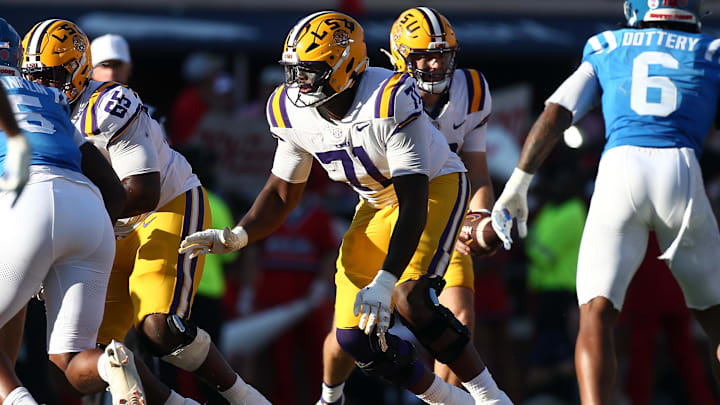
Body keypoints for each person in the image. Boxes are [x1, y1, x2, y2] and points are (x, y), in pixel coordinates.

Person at [180, 11, 511, 405]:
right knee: (353, 337)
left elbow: (413, 200)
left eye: (310, 70)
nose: (298, 81)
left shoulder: (389, 99)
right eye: (295, 70)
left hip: (433, 188)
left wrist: (387, 278)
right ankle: (447, 399)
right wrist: (240, 234)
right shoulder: (290, 109)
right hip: (374, 202)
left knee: (411, 297)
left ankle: (489, 397)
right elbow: (283, 191)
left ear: (346, 66)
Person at [21, 19, 269, 405]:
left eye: (53, 77)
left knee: (159, 328)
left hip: (161, 208)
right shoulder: (26, 113)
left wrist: (58, 242)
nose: (44, 88)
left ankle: (243, 397)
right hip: (101, 225)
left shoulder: (108, 105)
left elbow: (141, 192)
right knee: (73, 365)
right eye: (35, 77)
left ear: (79, 69)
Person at [491, 1, 720, 403]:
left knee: (596, 314)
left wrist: (518, 183)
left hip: (619, 170)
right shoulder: (711, 50)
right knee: (715, 318)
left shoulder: (609, 43)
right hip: (682, 169)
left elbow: (557, 111)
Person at [316, 6, 501, 399]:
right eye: (422, 56)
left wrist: (480, 216)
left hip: (440, 205)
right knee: (347, 335)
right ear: (400, 56)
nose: (434, 65)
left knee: (454, 313)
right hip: (386, 209)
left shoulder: (472, 91)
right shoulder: (384, 93)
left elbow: (478, 171)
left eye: (442, 54)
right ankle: (330, 395)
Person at [0, 17, 148, 405]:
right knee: (69, 359)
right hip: (89, 210)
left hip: (29, 203)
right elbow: (114, 191)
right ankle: (109, 366)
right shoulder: (52, 101)